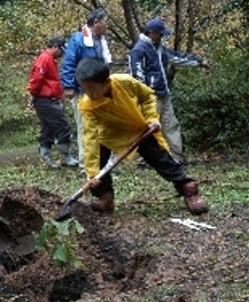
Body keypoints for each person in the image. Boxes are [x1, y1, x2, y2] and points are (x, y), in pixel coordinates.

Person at [75, 57, 209, 215]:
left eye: (92, 88)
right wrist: (92, 174)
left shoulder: (124, 82)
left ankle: (188, 189)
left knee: (160, 158)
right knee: (98, 161)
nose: (89, 94)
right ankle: (104, 198)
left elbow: (147, 97)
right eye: (85, 89)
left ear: (106, 82)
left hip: (136, 128)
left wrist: (152, 118)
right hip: (109, 134)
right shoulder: (87, 105)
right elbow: (90, 137)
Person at [129, 18, 211, 164]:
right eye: (160, 34)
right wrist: (145, 94)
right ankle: (144, 159)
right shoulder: (138, 50)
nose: (162, 36)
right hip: (150, 97)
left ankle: (177, 157)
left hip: (164, 94)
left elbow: (177, 58)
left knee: (171, 124)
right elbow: (136, 75)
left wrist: (199, 62)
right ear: (152, 33)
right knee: (149, 128)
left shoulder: (160, 48)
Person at [60, 8, 112, 176]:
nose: (107, 25)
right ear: (96, 22)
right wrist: (68, 86)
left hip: (102, 90)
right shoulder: (78, 39)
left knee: (104, 126)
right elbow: (69, 63)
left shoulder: (101, 41)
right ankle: (85, 166)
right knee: (85, 127)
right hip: (84, 91)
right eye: (105, 21)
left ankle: (105, 164)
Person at [27, 37, 78, 169]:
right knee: (63, 125)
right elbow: (37, 79)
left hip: (48, 98)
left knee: (48, 128)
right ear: (56, 46)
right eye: (61, 50)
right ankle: (67, 156)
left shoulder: (51, 60)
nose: (62, 54)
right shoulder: (45, 58)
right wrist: (33, 94)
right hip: (44, 99)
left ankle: (46, 157)